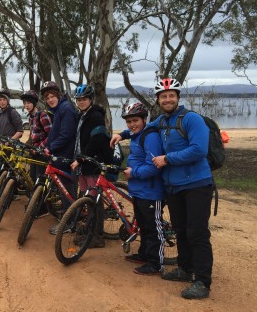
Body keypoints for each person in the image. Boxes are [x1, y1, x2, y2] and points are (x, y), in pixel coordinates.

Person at [112, 78, 214, 299]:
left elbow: (199, 150)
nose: (167, 99)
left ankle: (203, 281)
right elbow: (140, 127)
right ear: (158, 100)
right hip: (174, 187)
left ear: (177, 97)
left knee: (197, 232)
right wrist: (122, 134)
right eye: (163, 96)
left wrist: (167, 158)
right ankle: (185, 269)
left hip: (197, 184)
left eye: (171, 95)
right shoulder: (161, 121)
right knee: (181, 230)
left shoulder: (192, 119)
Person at [119, 102, 166, 275]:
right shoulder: (136, 135)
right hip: (139, 190)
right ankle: (144, 255)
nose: (132, 125)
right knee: (144, 226)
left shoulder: (150, 136)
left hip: (151, 191)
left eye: (135, 120)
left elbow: (154, 166)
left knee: (153, 228)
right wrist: (122, 134)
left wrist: (134, 173)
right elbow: (130, 133)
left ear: (144, 119)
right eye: (129, 121)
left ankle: (156, 263)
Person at [69, 84, 113, 247]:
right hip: (83, 164)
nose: (81, 102)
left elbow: (97, 141)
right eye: (79, 100)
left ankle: (97, 236)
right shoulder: (83, 115)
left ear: (91, 100)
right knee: (87, 198)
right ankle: (89, 229)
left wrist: (80, 158)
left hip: (92, 163)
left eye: (84, 99)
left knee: (95, 200)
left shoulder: (95, 116)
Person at [40, 81, 78, 235]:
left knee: (66, 190)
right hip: (60, 155)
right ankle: (68, 218)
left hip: (66, 156)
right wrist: (46, 147)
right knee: (64, 189)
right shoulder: (58, 109)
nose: (50, 99)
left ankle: (69, 223)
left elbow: (67, 134)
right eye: (47, 97)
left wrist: (51, 148)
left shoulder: (66, 108)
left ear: (58, 95)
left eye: (52, 96)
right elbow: (55, 133)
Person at [21, 89, 52, 181]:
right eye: (25, 103)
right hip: (34, 151)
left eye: (29, 103)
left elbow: (51, 135)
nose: (27, 105)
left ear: (34, 103)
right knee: (32, 177)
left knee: (40, 179)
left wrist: (40, 147)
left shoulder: (42, 115)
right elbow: (32, 135)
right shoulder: (31, 117)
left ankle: (41, 195)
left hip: (42, 152)